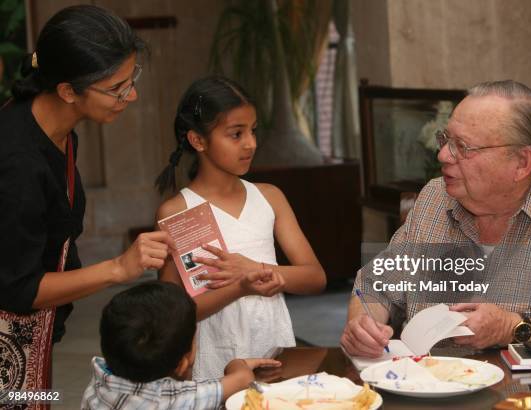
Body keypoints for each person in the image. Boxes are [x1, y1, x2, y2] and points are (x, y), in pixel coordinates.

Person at [341, 80, 531, 358]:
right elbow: (377, 286)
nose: (443, 155)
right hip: (426, 387)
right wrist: (363, 324)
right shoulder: (434, 200)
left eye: (463, 147)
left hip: (526, 397)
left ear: (521, 163)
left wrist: (514, 327)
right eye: (445, 139)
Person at [0, 4, 173, 391]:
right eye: (116, 88)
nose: (131, 95)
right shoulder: (17, 161)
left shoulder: (59, 132)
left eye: (131, 79)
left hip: (36, 338)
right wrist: (118, 268)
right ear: (67, 91)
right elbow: (18, 289)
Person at [156, 76, 326, 379]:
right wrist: (240, 286)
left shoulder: (270, 197)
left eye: (253, 130)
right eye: (236, 134)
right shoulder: (179, 211)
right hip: (214, 361)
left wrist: (255, 269)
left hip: (273, 347)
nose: (251, 143)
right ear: (198, 140)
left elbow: (315, 277)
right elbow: (172, 315)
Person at [82, 281, 280, 410]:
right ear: (182, 364)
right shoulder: (175, 399)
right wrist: (237, 363)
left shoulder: (99, 377)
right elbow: (242, 379)